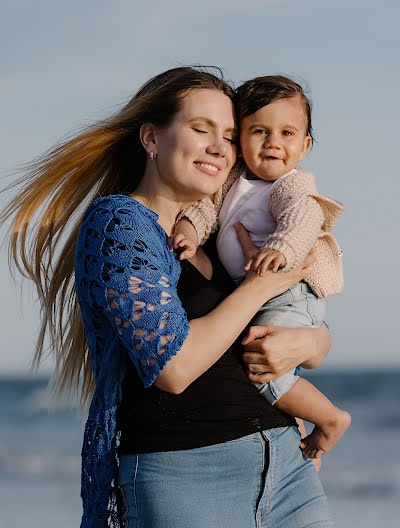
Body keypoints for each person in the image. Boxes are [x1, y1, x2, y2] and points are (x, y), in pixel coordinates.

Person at [0, 66, 334, 527]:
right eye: (201, 130)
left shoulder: (211, 234)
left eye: (231, 135)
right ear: (151, 138)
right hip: (187, 480)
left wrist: (315, 343)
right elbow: (173, 367)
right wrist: (262, 284)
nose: (221, 147)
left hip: (286, 467)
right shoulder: (120, 224)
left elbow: (282, 322)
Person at [172, 75, 351, 460]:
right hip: (257, 292)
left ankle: (330, 418)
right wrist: (187, 228)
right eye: (259, 131)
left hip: (289, 291)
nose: (273, 142)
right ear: (240, 139)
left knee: (264, 367)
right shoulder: (231, 181)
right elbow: (205, 210)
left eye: (287, 133)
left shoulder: (290, 185)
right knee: (269, 359)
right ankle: (297, 423)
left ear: (304, 147)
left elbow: (302, 218)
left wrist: (280, 248)